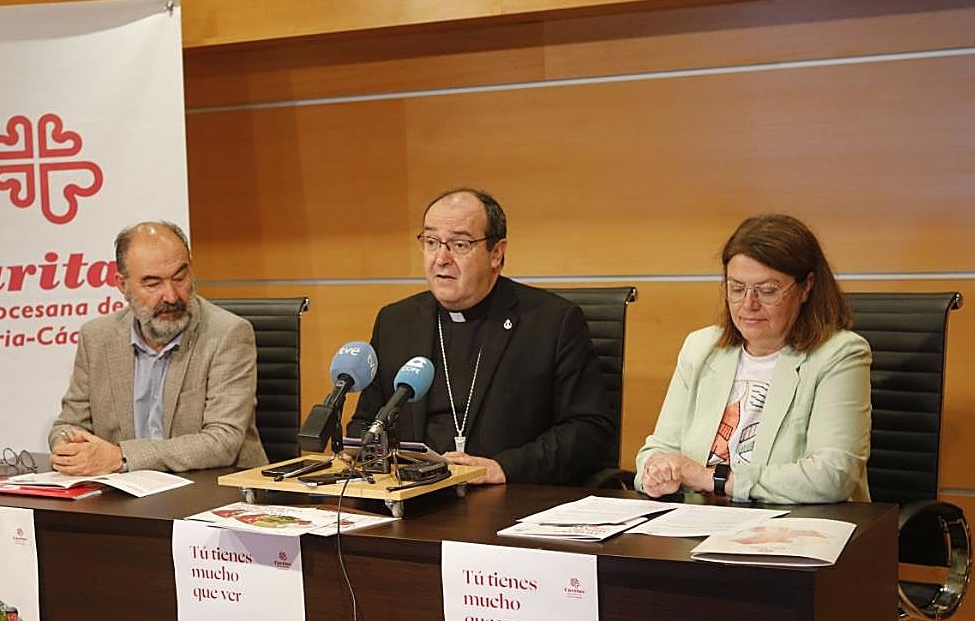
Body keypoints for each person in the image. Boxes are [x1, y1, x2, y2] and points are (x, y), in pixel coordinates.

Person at [348, 189, 615, 486]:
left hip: (510, 496)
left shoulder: (552, 321)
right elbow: (366, 423)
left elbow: (590, 430)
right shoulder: (395, 322)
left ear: (496, 253)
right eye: (431, 242)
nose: (441, 258)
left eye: (459, 245)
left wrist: (504, 468)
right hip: (410, 495)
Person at [636, 214, 871, 504]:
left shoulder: (839, 354)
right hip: (697, 521)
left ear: (806, 287)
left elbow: (833, 475)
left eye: (768, 290)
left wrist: (709, 478)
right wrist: (656, 472)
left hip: (794, 524)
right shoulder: (701, 347)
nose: (749, 304)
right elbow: (657, 450)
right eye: (737, 288)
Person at [48, 220, 267, 475]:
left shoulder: (227, 334)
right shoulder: (97, 337)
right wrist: (68, 447)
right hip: (125, 489)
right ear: (122, 285)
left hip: (212, 486)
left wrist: (122, 457)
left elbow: (223, 441)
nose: (172, 296)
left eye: (180, 277)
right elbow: (69, 424)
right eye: (153, 284)